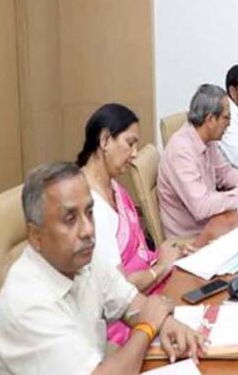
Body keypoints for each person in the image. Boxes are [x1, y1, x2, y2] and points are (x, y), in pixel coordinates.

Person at [0, 162, 202, 375]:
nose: (88, 230)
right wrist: (147, 327)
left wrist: (167, 323)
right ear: (35, 236)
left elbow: (130, 303)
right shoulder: (28, 303)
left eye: (89, 212)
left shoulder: (81, 259)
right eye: (70, 219)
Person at [77, 103, 194, 345]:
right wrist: (161, 267)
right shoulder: (88, 206)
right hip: (124, 319)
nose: (134, 154)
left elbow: (139, 249)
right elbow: (117, 290)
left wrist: (167, 254)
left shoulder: (113, 186)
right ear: (105, 140)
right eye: (130, 143)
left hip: (149, 292)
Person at [159, 84, 238, 238]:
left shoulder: (208, 140)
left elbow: (224, 173)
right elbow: (201, 206)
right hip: (192, 239)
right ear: (210, 119)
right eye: (226, 118)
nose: (229, 124)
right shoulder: (181, 151)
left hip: (213, 224)